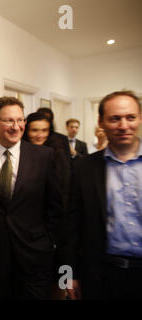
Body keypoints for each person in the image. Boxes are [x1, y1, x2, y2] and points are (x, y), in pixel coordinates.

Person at [0, 97, 62, 299]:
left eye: (20, 120)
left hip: (34, 257)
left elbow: (55, 206)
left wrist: (47, 241)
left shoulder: (44, 156)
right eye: (9, 121)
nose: (16, 126)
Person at [66, 90, 142, 299]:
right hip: (101, 275)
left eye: (130, 117)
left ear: (140, 118)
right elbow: (72, 225)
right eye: (115, 119)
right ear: (101, 121)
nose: (124, 125)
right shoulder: (83, 168)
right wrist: (68, 274)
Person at [22, 112, 70, 299]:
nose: (39, 135)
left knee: (55, 281)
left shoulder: (57, 154)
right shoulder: (21, 152)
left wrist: (53, 235)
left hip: (52, 231)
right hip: (26, 230)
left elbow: (63, 195)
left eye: (44, 130)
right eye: (34, 130)